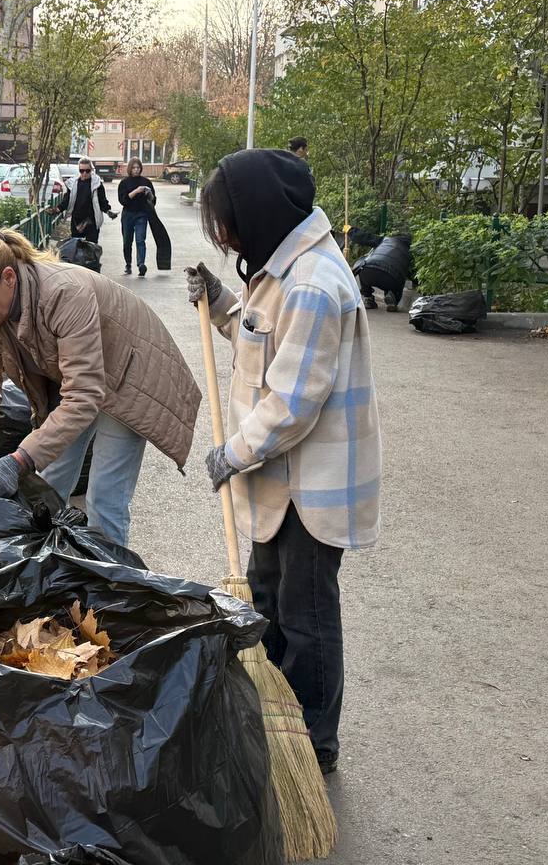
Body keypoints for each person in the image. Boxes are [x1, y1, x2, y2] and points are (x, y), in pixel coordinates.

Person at [186, 148, 382, 776]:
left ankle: (313, 745)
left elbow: (294, 402)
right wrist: (219, 303)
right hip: (280, 481)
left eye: (228, 223)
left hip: (313, 486)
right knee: (266, 600)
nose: (226, 237)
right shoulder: (278, 270)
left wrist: (230, 455)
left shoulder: (315, 285)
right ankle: (273, 720)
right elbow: (255, 340)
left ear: (258, 212)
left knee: (307, 616)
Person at [0, 229, 200, 549]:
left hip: (126, 376)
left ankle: (108, 591)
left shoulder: (64, 293)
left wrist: (18, 461)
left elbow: (84, 396)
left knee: (104, 500)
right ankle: (51, 571)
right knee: (48, 484)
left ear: (8, 278)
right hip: (75, 380)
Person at [348, 227, 413, 312]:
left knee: (363, 268)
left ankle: (368, 298)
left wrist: (350, 230)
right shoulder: (409, 250)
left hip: (369, 269)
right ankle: (392, 298)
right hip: (391, 276)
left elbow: (364, 237)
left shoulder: (385, 240)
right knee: (397, 277)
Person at [55, 158, 116, 244]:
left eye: (87, 171)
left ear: (91, 170)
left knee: (91, 249)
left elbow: (102, 201)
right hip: (77, 220)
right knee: (76, 248)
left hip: (92, 221)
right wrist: (58, 209)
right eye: (81, 170)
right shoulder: (73, 183)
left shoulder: (97, 184)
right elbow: (67, 200)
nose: (84, 173)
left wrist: (108, 211)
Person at [116, 159, 154, 276]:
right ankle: (128, 264)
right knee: (127, 241)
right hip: (128, 215)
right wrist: (136, 191)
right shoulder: (124, 183)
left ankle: (141, 264)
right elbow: (123, 200)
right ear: (130, 169)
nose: (136, 169)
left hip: (141, 214)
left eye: (138, 167)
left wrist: (149, 194)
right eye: (134, 168)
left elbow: (153, 200)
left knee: (140, 240)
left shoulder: (146, 182)